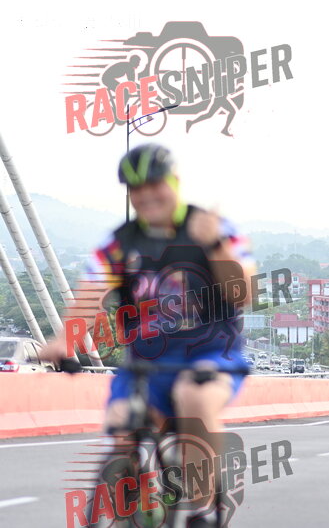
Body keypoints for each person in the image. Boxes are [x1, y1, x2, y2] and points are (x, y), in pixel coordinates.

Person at [40, 144, 256, 528]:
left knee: (193, 398)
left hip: (210, 356)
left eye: (154, 184)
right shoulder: (120, 242)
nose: (146, 195)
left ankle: (203, 511)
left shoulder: (211, 228)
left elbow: (244, 293)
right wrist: (63, 341)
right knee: (122, 424)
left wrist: (214, 245)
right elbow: (90, 294)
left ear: (175, 182)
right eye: (136, 188)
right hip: (146, 363)